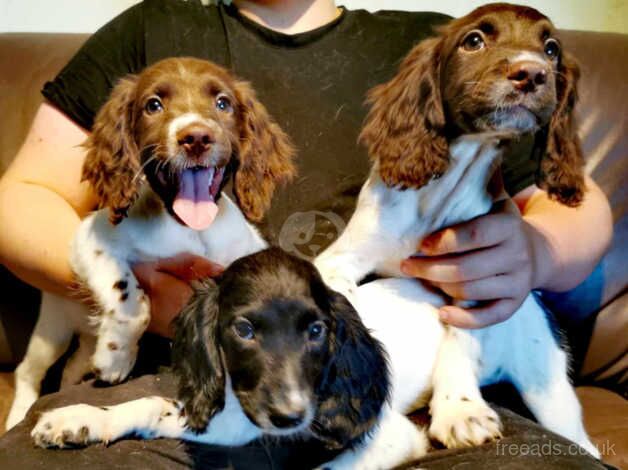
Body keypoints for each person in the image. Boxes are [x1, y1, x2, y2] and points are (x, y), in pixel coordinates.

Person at [0, 0, 612, 468]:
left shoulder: (435, 44)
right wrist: (138, 302)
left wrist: (538, 251)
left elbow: (577, 206)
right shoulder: (149, 29)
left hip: (430, 387)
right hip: (191, 375)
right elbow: (19, 200)